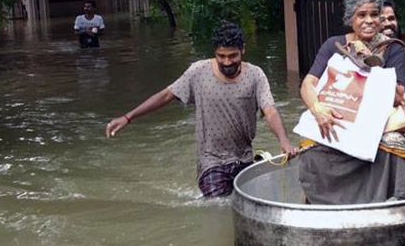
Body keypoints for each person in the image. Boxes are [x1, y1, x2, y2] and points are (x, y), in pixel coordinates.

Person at [105, 22, 296, 197]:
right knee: (217, 208)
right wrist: (127, 117)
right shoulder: (198, 72)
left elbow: (270, 111)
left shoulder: (255, 75)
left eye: (233, 56)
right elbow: (166, 95)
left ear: (242, 50)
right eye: (221, 56)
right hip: (210, 161)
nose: (227, 62)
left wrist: (284, 140)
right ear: (215, 53)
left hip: (243, 159)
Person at [298, 0, 405, 204]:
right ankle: (320, 203)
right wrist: (318, 109)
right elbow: (308, 84)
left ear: (381, 18)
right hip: (342, 114)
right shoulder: (333, 45)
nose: (369, 21)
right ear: (350, 19)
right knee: (310, 145)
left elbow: (398, 96)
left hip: (377, 121)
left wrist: (368, 61)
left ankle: (395, 202)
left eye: (374, 15)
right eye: (361, 15)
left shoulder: (393, 48)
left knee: (395, 143)